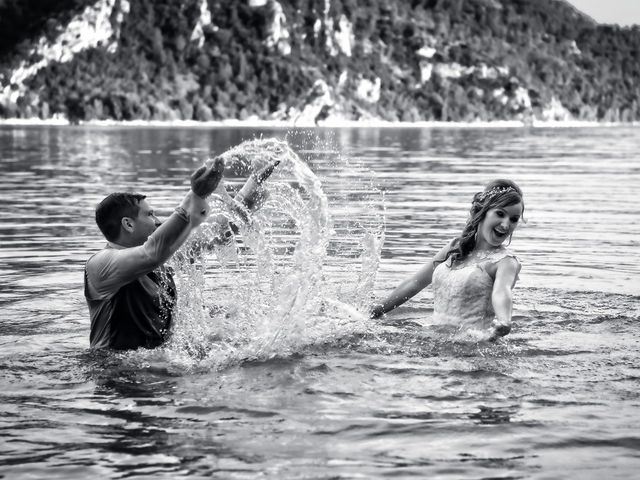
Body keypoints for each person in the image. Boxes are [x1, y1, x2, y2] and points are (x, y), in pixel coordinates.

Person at [84, 157, 277, 350]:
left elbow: (218, 232)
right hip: (114, 372)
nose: (158, 221)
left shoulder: (160, 261)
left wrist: (254, 183)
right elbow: (152, 253)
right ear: (128, 224)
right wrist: (195, 195)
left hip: (154, 367)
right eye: (150, 214)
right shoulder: (100, 265)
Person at [369, 179, 524, 341]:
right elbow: (414, 283)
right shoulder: (455, 247)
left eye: (513, 219)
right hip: (434, 338)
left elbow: (502, 292)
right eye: (500, 214)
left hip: (474, 346)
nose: (506, 225)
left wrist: (504, 321)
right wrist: (375, 312)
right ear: (482, 211)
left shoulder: (506, 262)